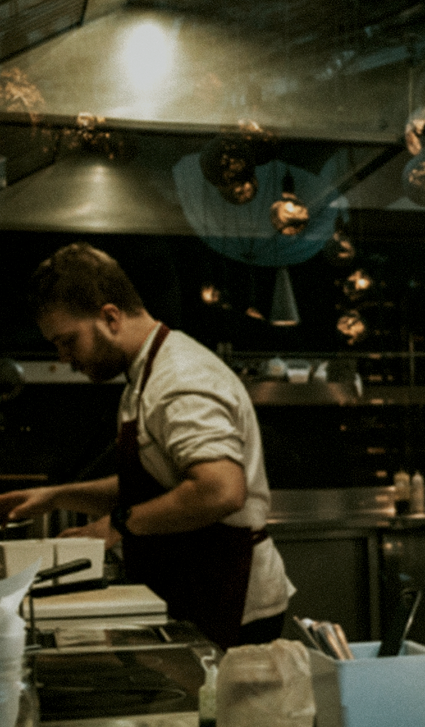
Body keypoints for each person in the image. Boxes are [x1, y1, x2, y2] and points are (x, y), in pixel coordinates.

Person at [1, 243, 294, 647]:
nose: (66, 357)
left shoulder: (179, 380)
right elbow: (154, 488)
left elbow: (219, 490)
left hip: (228, 594)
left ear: (110, 317)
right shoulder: (145, 375)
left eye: (68, 341)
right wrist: (56, 497)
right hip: (197, 587)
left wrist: (117, 526)